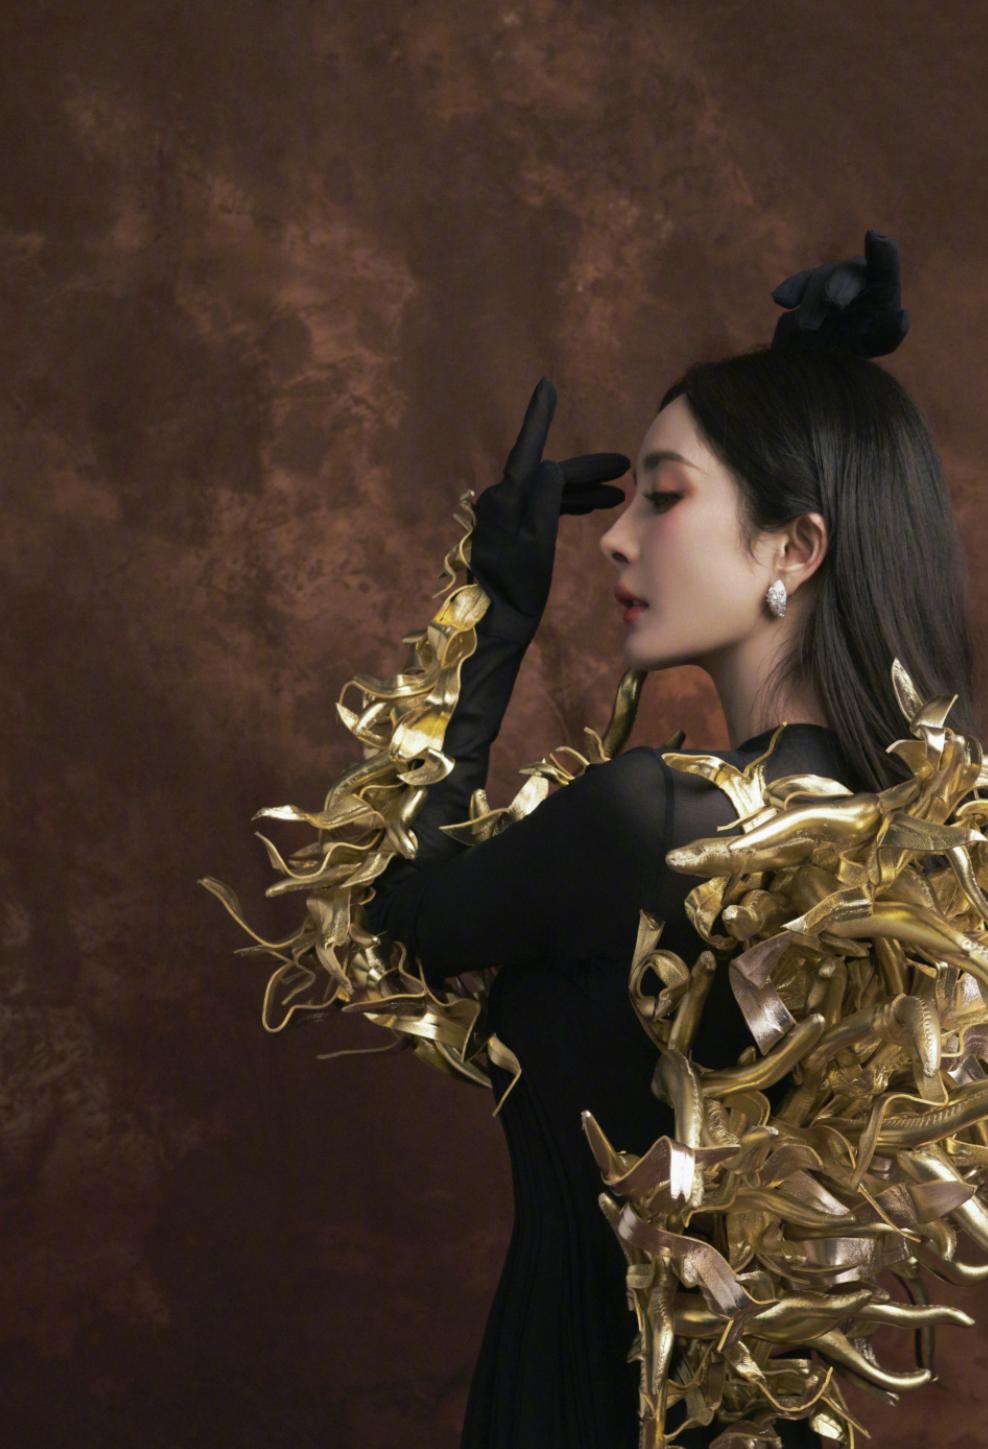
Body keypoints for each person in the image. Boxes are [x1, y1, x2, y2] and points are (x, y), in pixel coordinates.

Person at [203, 231, 988, 1447]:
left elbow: (378, 918)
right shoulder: (917, 846)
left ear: (795, 549)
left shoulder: (652, 822)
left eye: (663, 496)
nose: (617, 537)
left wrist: (488, 611)